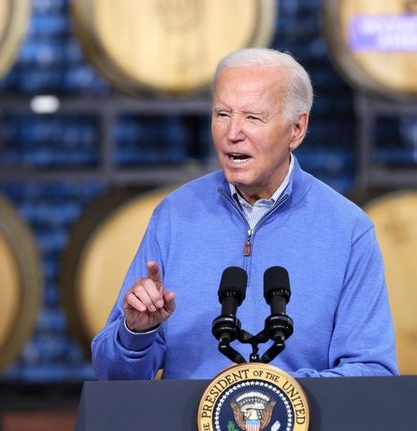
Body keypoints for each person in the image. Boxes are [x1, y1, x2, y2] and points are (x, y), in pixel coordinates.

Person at [91, 48, 398, 380]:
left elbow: (373, 372)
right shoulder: (174, 216)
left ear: (297, 128)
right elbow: (113, 377)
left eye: (253, 117)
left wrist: (274, 393)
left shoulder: (348, 229)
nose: (232, 132)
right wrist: (136, 334)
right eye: (222, 114)